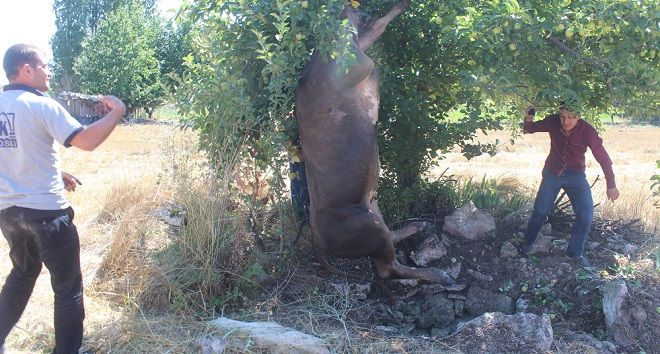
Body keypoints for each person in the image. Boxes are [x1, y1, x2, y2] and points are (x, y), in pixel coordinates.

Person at [0, 44, 126, 354]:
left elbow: (16, 151)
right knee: (68, 288)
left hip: (9, 213)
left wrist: (55, 172)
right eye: (44, 65)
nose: (49, 71)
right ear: (26, 69)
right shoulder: (42, 105)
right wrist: (118, 112)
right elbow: (87, 141)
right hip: (47, 213)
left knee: (22, 273)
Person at [520, 103, 620, 267]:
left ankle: (575, 253)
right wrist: (529, 115)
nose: (565, 121)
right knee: (541, 210)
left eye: (570, 117)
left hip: (576, 175)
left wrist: (611, 184)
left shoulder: (587, 131)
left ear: (578, 117)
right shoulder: (553, 122)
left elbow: (603, 157)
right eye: (562, 116)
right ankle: (526, 244)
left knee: (586, 213)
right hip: (552, 173)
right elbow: (529, 128)